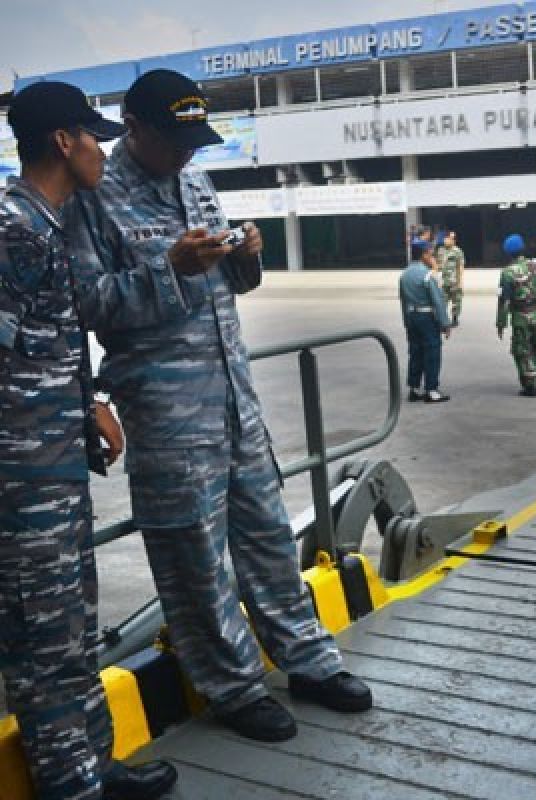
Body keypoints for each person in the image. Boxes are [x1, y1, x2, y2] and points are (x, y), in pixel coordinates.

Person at [66, 69, 372, 745]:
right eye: (174, 139)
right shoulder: (96, 199)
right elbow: (90, 305)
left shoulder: (193, 179)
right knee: (195, 561)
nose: (187, 153)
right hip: (169, 413)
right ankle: (232, 686)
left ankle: (309, 660)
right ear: (136, 129)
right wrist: (167, 269)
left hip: (236, 402)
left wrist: (246, 259)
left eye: (195, 140)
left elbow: (226, 285)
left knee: (267, 541)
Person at [1, 81, 179, 800]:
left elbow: (43, 346)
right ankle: (70, 786)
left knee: (71, 625)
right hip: (20, 478)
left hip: (52, 464)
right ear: (61, 142)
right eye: (92, 135)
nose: (103, 150)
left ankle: (91, 765)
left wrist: (86, 406)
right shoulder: (12, 229)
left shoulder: (46, 223)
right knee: (42, 637)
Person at [497, 233, 536, 396]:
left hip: (521, 315)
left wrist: (501, 323)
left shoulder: (507, 273)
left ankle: (530, 384)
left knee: (523, 349)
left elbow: (504, 300)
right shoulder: (535, 266)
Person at [401, 237, 452, 402]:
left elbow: (403, 301)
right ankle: (432, 390)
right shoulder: (427, 275)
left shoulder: (404, 275)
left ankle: (414, 388)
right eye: (430, 253)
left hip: (411, 317)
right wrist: (445, 323)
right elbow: (438, 301)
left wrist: (406, 322)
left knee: (415, 352)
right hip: (426, 318)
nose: (432, 256)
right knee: (432, 352)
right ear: (423, 255)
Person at [438, 230, 466, 327]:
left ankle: (455, 318)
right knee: (442, 301)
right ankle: (443, 319)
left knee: (456, 301)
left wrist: (460, 282)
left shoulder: (457, 251)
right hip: (443, 281)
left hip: (454, 281)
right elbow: (438, 265)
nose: (449, 240)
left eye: (452, 238)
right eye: (448, 238)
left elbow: (460, 266)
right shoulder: (441, 250)